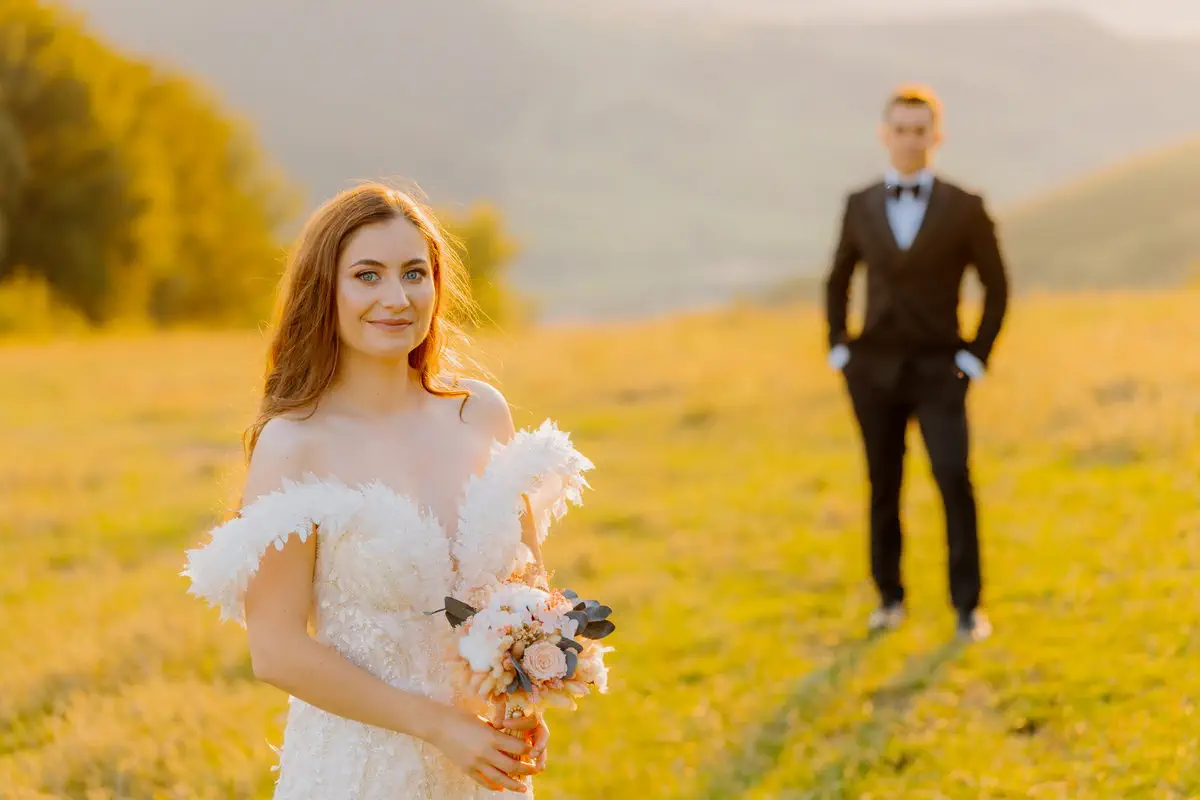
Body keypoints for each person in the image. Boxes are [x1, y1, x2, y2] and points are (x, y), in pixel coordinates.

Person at [182, 182, 594, 797]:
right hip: (362, 768)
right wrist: (438, 727)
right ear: (326, 290)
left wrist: (520, 698)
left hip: (483, 768)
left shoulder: (480, 413)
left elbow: (524, 584)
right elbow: (277, 650)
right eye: (367, 276)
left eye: (414, 273)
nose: (396, 298)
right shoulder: (297, 443)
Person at [823, 84, 1009, 641]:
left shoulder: (965, 206)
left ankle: (968, 607)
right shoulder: (860, 204)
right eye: (900, 130)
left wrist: (976, 358)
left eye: (920, 130)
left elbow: (997, 286)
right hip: (872, 371)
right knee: (884, 483)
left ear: (936, 136)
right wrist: (839, 346)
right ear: (886, 135)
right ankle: (889, 597)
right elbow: (838, 278)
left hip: (939, 370)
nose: (910, 140)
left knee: (954, 477)